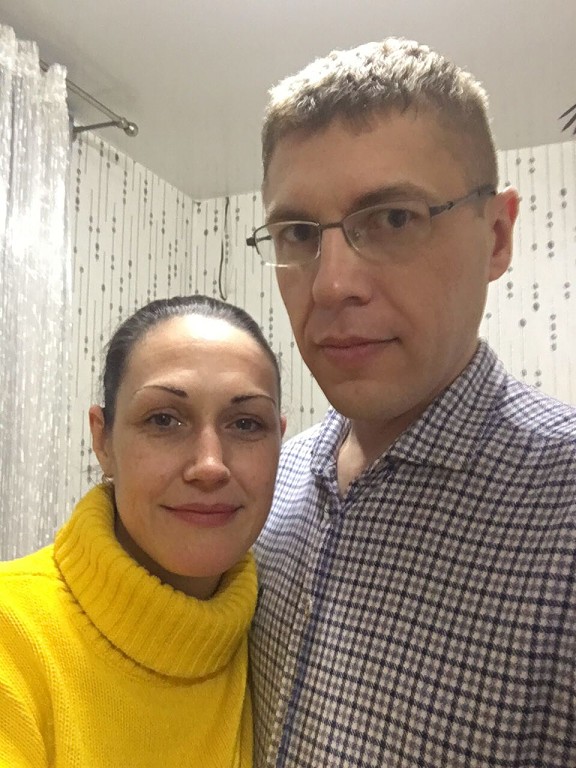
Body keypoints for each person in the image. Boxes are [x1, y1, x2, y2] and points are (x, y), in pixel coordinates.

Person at [246, 38, 576, 767]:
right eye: (298, 233)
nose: (331, 285)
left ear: (496, 237)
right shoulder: (267, 487)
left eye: (393, 219)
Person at [0, 294, 286, 767]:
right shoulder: (13, 633)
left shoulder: (273, 636)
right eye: (163, 420)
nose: (210, 465)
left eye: (245, 423)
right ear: (102, 440)